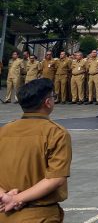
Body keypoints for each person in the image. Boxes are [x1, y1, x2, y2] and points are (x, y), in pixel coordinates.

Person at [0, 79, 72, 222]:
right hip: (39, 215)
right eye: (53, 96)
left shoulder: (4, 130)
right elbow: (56, 178)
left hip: (4, 212)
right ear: (47, 102)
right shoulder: (56, 133)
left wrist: (4, 196)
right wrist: (16, 199)